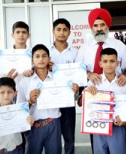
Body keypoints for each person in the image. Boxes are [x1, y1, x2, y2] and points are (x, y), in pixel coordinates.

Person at [17, 44, 79, 154]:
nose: (41, 59)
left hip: (54, 123)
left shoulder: (59, 78)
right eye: (37, 56)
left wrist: (74, 92)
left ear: (49, 59)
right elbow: (19, 110)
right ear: (32, 60)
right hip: (34, 126)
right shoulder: (24, 82)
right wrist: (30, 101)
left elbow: (67, 99)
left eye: (44, 56)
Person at [84, 48, 126, 154]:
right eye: (105, 61)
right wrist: (87, 92)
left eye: (112, 61)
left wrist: (124, 121)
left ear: (118, 63)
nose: (109, 64)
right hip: (99, 127)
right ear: (100, 63)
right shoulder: (93, 82)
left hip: (118, 127)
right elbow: (84, 103)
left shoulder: (124, 83)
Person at [75, 8, 126, 87]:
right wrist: (88, 74)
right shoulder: (84, 48)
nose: (99, 29)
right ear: (92, 28)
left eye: (102, 25)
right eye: (95, 26)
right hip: (92, 89)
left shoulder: (119, 45)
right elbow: (77, 68)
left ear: (107, 26)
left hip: (116, 88)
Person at [0, 77, 34, 154]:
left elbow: (23, 129)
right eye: (2, 92)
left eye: (9, 92)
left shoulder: (20, 112)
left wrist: (29, 123)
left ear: (15, 93)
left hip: (16, 150)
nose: (6, 95)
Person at [49, 18, 78, 154]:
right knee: (52, 137)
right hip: (50, 99)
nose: (62, 32)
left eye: (65, 29)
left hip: (68, 100)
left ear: (69, 32)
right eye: (58, 29)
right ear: (53, 31)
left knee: (69, 137)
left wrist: (77, 90)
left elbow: (79, 77)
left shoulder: (75, 53)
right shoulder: (46, 53)